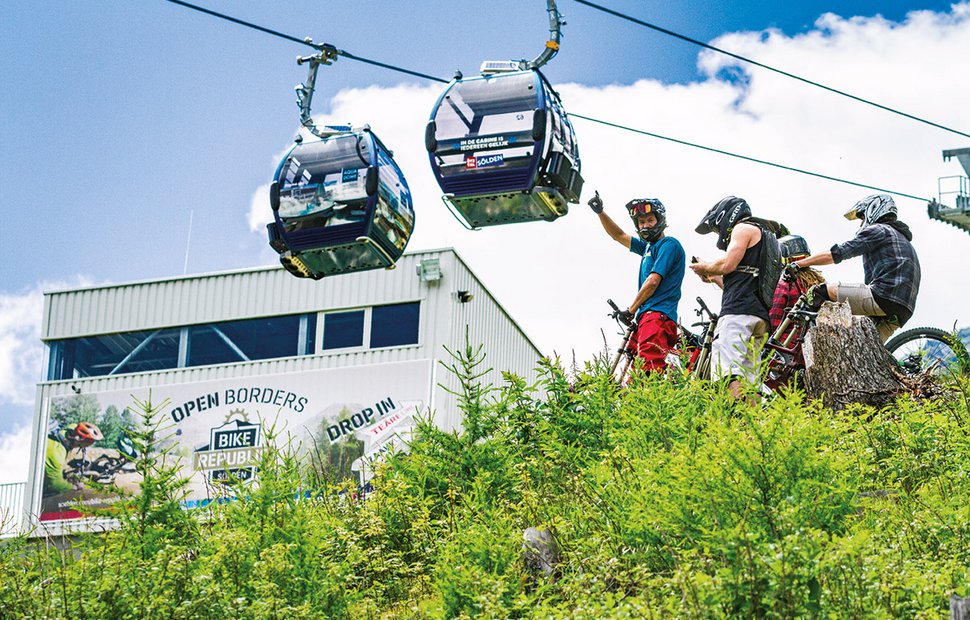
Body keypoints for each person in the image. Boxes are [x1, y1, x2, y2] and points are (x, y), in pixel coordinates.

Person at [690, 196, 785, 399]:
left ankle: (734, 420)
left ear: (725, 217)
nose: (719, 234)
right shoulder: (768, 237)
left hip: (737, 315)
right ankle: (751, 428)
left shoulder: (743, 228)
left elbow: (728, 264)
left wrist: (705, 266)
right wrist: (715, 277)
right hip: (759, 318)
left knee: (728, 371)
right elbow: (740, 279)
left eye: (716, 229)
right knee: (751, 381)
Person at [791, 194, 920, 342]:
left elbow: (835, 254)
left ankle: (809, 342)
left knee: (819, 292)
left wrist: (799, 264)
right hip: (903, 309)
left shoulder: (878, 230)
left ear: (872, 210)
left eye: (862, 218)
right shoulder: (902, 239)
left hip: (883, 295)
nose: (861, 224)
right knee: (865, 352)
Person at [589, 191, 686, 372]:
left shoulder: (669, 245)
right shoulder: (648, 248)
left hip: (657, 315)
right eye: (641, 222)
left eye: (650, 220)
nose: (645, 225)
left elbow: (652, 282)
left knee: (648, 370)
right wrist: (601, 212)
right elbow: (618, 235)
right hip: (646, 316)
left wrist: (631, 310)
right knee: (635, 367)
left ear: (660, 220)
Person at [43, 421, 103, 496]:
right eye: (91, 442)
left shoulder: (67, 432)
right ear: (80, 439)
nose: (91, 444)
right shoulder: (56, 454)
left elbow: (73, 426)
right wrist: (73, 487)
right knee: (56, 492)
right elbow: (55, 484)